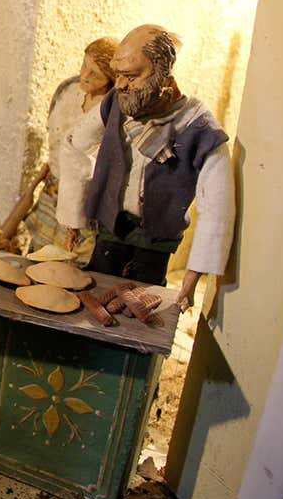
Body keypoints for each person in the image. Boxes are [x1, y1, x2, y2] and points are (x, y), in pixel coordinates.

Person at [58, 25, 234, 311]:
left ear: (162, 74)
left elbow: (218, 208)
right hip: (112, 230)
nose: (120, 85)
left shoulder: (198, 129)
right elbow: (74, 144)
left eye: (131, 75)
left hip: (156, 242)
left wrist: (190, 281)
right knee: (95, 297)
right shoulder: (115, 104)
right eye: (118, 74)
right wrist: (74, 216)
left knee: (140, 309)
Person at [26, 37, 118, 254]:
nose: (84, 75)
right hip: (52, 193)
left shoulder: (110, 110)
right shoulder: (68, 91)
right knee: (41, 253)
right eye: (85, 65)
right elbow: (55, 145)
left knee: (71, 261)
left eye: (94, 73)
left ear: (110, 78)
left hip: (83, 202)